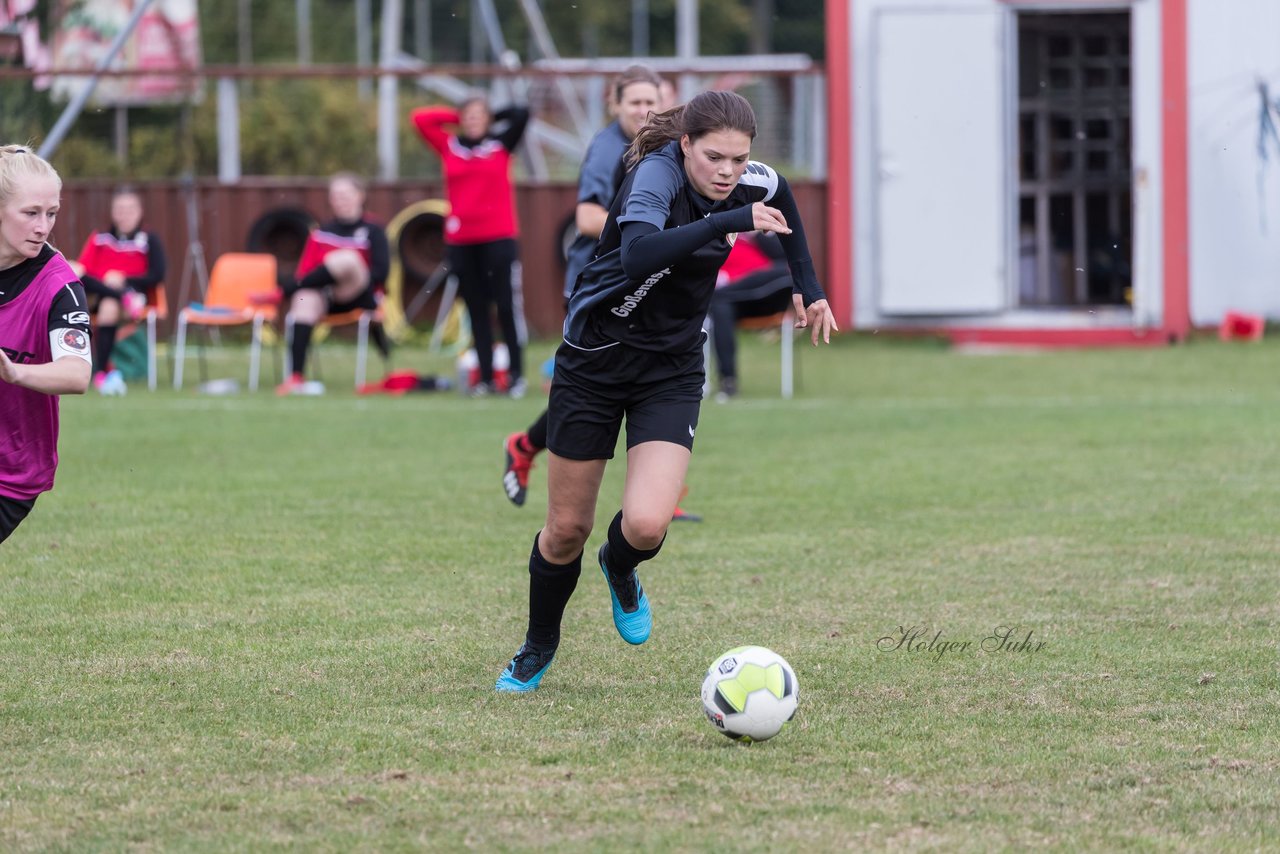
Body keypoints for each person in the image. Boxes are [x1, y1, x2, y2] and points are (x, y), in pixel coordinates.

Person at [494, 91, 837, 692]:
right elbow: (638, 256)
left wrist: (810, 287)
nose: (728, 172)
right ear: (685, 146)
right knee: (565, 529)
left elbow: (782, 201)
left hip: (671, 369)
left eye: (738, 159)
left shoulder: (747, 179)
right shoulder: (656, 176)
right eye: (714, 158)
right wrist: (728, 219)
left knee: (648, 524)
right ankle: (538, 643)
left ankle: (618, 565)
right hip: (594, 362)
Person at [502, 65, 663, 508]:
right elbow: (587, 218)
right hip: (596, 289)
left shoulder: (659, 146)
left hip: (636, 285)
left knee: (648, 379)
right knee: (593, 391)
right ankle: (526, 445)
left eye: (652, 100)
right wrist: (652, 230)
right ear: (615, 104)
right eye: (634, 102)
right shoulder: (607, 149)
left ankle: (658, 487)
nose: (644, 110)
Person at [0, 145, 93, 544]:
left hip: (11, 472)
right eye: (31, 213)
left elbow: (77, 373)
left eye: (51, 214)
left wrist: (14, 371)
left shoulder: (60, 285)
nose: (43, 227)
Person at [411, 94, 530, 398]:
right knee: (475, 309)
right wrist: (458, 115)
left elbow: (521, 112)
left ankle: (516, 376)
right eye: (469, 115)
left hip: (499, 237)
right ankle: (486, 378)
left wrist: (491, 114)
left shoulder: (500, 144)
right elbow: (421, 119)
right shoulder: (449, 146)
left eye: (479, 115)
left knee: (504, 307)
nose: (474, 120)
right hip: (462, 241)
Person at [269, 172, 390, 396]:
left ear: (360, 196)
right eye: (335, 195)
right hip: (326, 297)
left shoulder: (374, 230)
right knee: (302, 299)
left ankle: (284, 291)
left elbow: (381, 273)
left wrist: (341, 274)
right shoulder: (321, 233)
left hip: (361, 294)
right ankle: (296, 377)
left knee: (347, 259)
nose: (340, 200)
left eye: (345, 194)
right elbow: (306, 273)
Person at [67, 187, 166, 396]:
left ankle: (101, 372)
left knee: (109, 307)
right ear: (113, 212)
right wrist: (107, 282)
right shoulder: (100, 238)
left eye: (130, 209)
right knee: (72, 269)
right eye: (120, 209)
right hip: (97, 292)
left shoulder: (148, 239)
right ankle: (120, 296)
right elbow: (84, 270)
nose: (125, 214)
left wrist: (123, 279)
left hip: (135, 298)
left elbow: (157, 275)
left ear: (139, 212)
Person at [707, 230, 794, 401]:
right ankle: (728, 380)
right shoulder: (712, 236)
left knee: (785, 271)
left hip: (769, 293)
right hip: (734, 301)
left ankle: (718, 296)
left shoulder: (753, 233)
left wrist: (756, 233)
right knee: (720, 307)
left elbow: (783, 256)